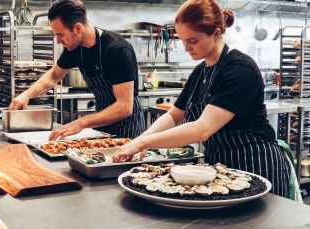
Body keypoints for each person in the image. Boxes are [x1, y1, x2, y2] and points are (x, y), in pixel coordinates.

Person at [113, 0, 290, 197]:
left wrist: (142, 144)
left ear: (215, 34)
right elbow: (174, 115)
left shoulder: (239, 69)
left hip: (256, 163)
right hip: (222, 167)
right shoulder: (200, 71)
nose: (186, 48)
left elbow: (202, 129)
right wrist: (139, 139)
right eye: (182, 40)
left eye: (193, 40)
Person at [9, 0, 145, 140]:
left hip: (128, 130)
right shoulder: (75, 48)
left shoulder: (117, 50)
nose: (57, 41)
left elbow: (124, 107)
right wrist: (26, 95)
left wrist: (81, 123)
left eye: (60, 35)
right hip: (102, 125)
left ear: (78, 29)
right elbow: (54, 76)